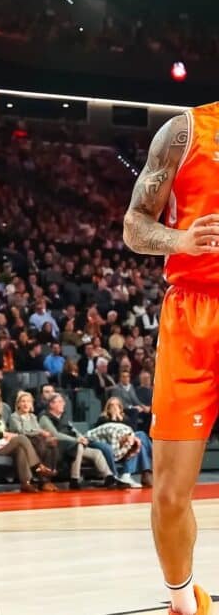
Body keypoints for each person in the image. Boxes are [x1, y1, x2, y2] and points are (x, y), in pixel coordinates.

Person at [122, 108, 218, 615]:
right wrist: (180, 239)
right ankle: (184, 604)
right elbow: (134, 226)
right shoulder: (186, 131)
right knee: (170, 494)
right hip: (193, 315)